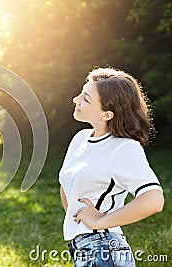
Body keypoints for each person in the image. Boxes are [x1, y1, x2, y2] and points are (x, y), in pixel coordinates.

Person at [59, 67, 164, 266]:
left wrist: (99, 222)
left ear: (107, 114)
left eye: (86, 99)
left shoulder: (123, 148)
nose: (76, 99)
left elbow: (154, 200)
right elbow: (67, 187)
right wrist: (77, 218)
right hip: (82, 247)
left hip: (104, 247)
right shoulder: (80, 139)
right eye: (82, 92)